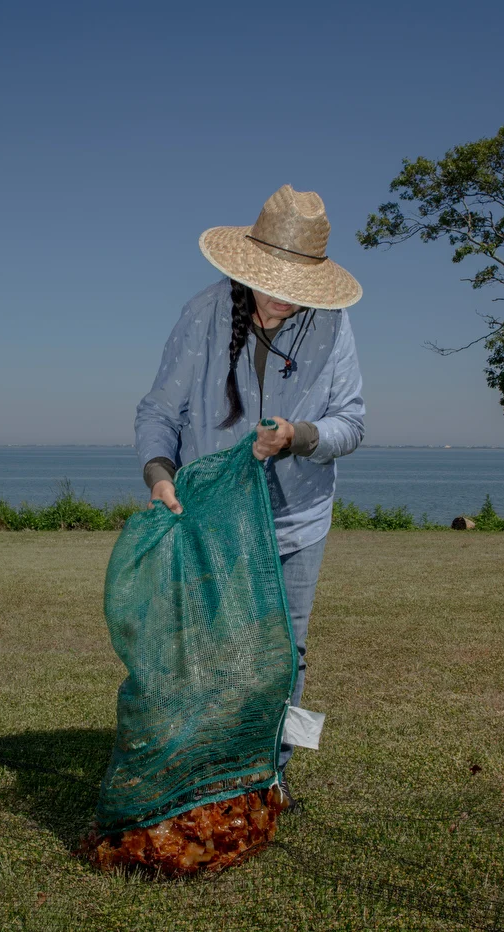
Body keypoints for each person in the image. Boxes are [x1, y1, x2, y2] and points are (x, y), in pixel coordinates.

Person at [134, 184, 365, 808]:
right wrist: (160, 474)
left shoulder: (334, 323)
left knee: (285, 655)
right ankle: (209, 772)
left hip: (298, 520)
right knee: (212, 647)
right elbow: (159, 411)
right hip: (215, 519)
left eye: (298, 285)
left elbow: (351, 423)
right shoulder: (203, 313)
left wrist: (300, 436)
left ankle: (269, 777)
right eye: (274, 281)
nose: (285, 296)